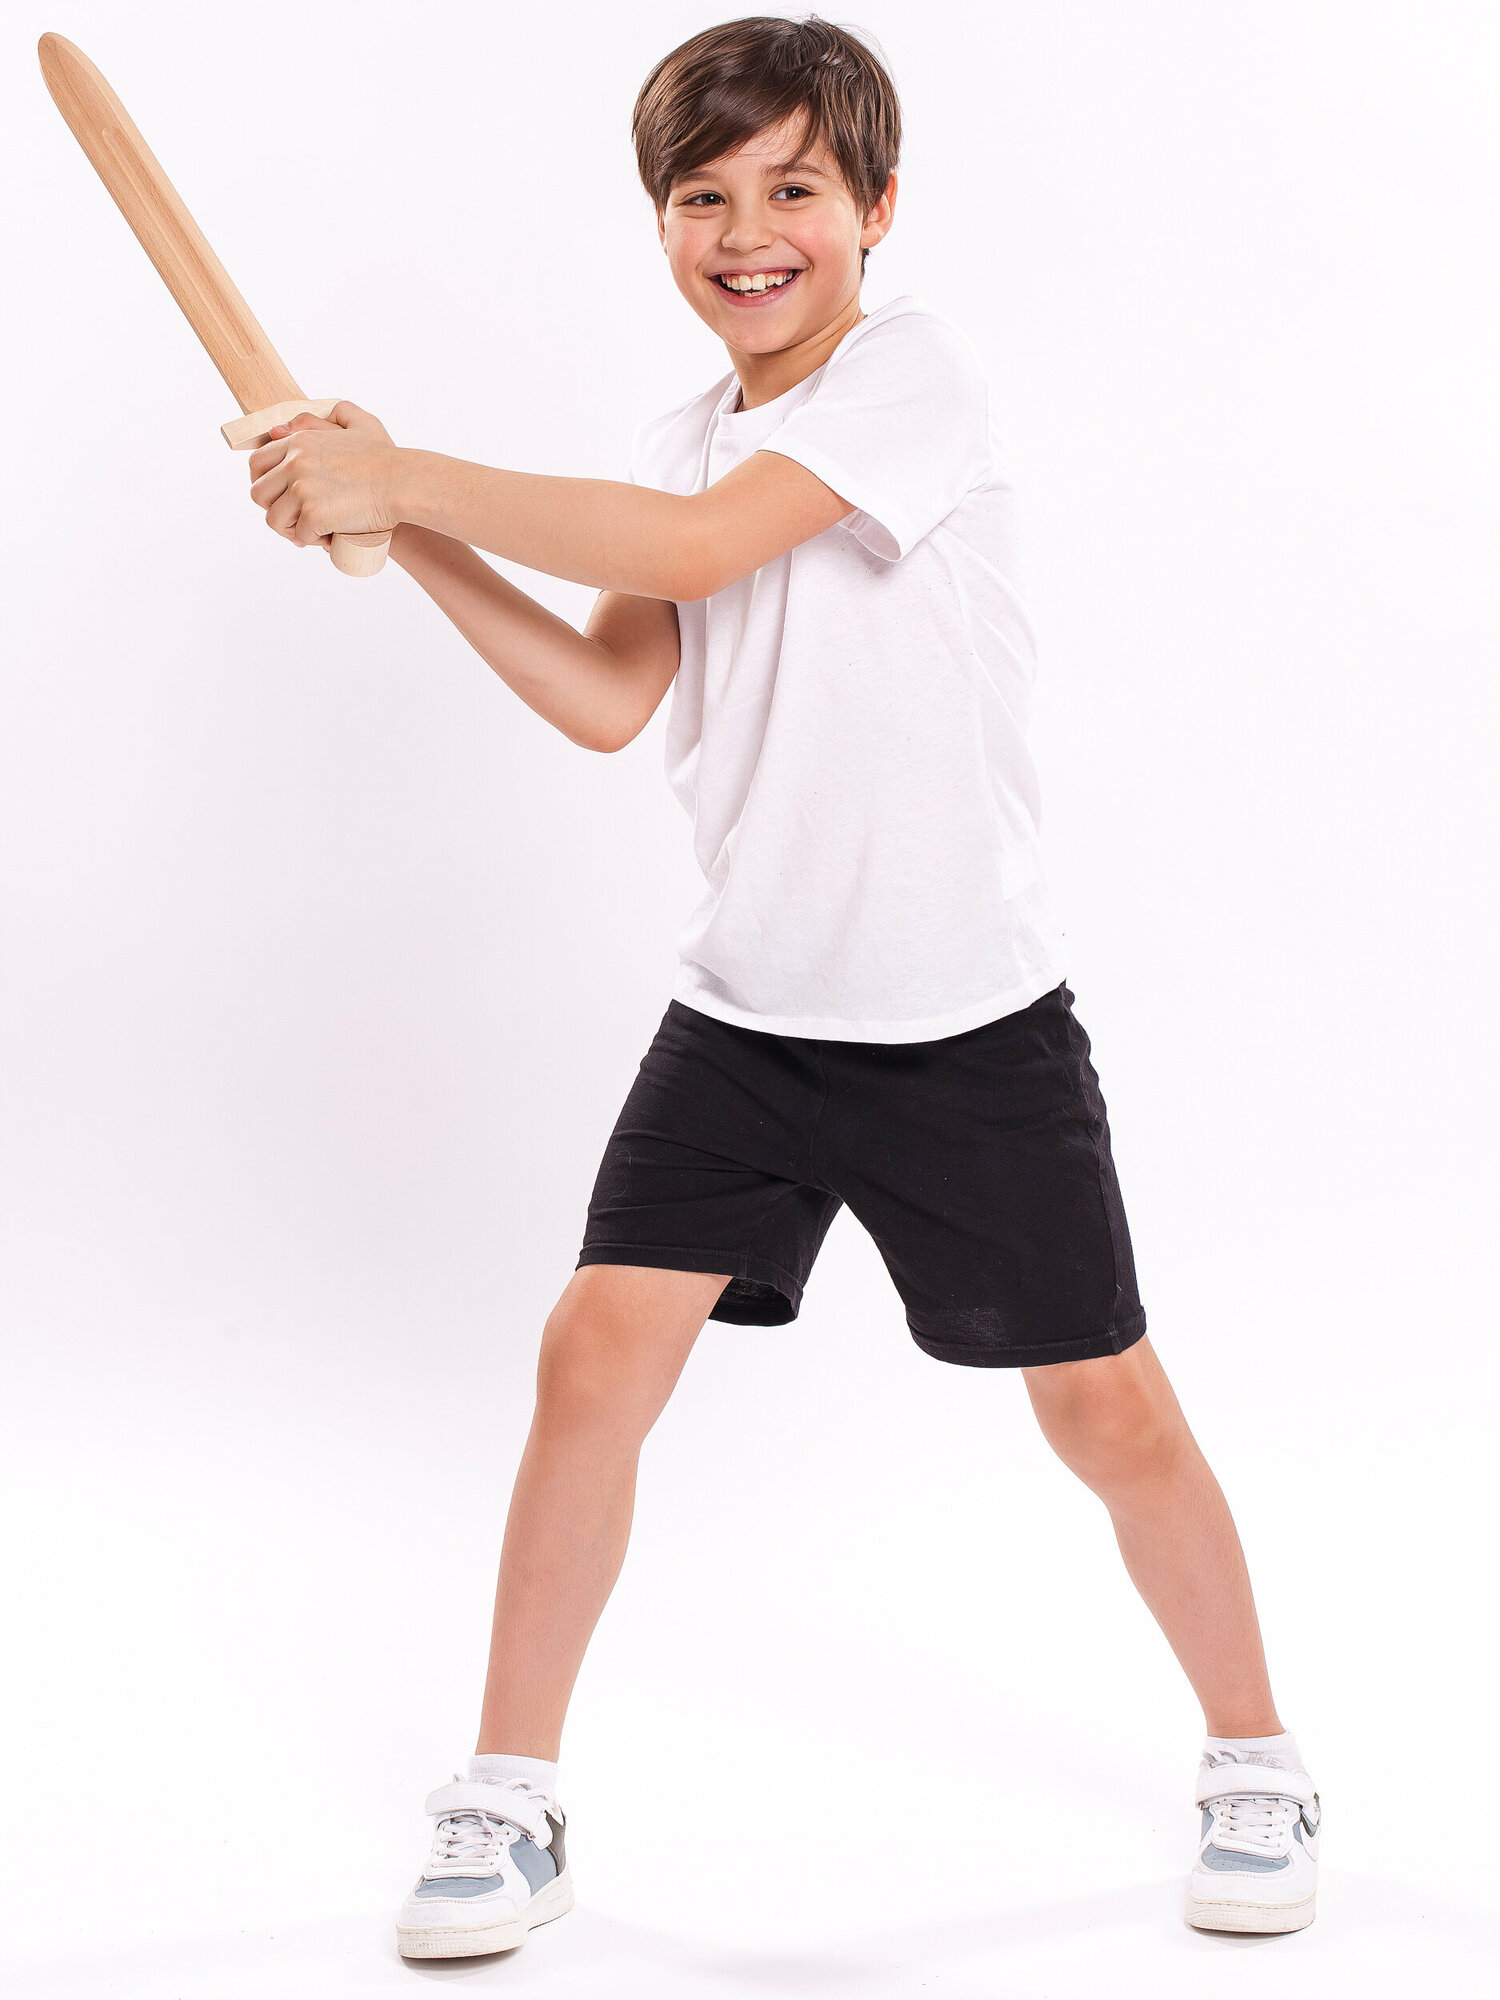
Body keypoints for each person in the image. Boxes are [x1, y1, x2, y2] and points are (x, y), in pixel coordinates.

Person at [244, 13, 1321, 1962]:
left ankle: (1255, 1752)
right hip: (748, 1020)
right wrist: (398, 533)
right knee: (592, 1358)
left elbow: (696, 543)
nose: (749, 233)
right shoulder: (684, 437)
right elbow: (608, 693)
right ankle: (510, 1796)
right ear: (660, 222)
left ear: (877, 207)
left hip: (963, 1027)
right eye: (703, 197)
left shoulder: (913, 381)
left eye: (794, 189)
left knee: (1106, 1411)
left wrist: (411, 470)